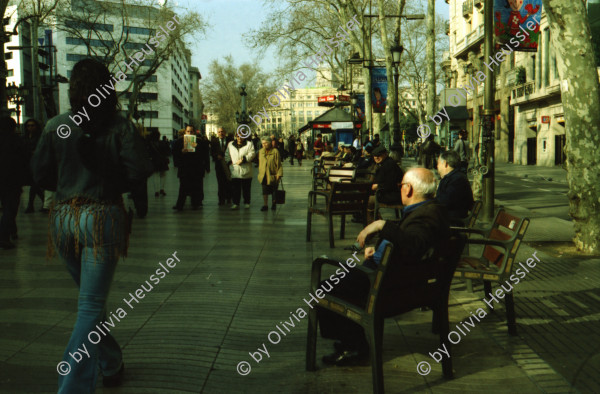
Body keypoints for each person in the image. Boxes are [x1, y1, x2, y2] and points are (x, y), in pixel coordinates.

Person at [31, 58, 151, 392]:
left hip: (64, 217)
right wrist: (112, 182)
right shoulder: (120, 126)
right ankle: (71, 386)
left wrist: (68, 186)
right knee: (90, 307)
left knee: (90, 304)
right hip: (102, 219)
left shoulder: (55, 125)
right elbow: (140, 170)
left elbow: (39, 174)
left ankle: (110, 361)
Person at [317, 168, 450, 366]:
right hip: (397, 278)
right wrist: (379, 249)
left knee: (324, 289)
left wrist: (381, 225)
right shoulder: (429, 209)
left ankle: (354, 346)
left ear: (409, 189)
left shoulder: (427, 215)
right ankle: (350, 341)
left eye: (401, 185)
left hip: (387, 287)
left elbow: (414, 244)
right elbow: (409, 241)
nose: (400, 189)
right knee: (338, 283)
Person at [0, 116, 26, 249]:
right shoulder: (16, 140)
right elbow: (23, 161)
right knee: (10, 208)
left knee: (7, 207)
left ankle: (12, 230)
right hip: (12, 180)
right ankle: (4, 236)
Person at [172, 125, 208, 211]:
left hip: (196, 169)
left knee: (196, 187)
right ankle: (180, 205)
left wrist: (197, 147)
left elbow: (204, 155)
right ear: (185, 132)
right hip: (184, 168)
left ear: (194, 132)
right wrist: (181, 152)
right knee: (183, 188)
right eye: (188, 131)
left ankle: (195, 203)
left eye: (191, 131)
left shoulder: (199, 142)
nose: (190, 133)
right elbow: (175, 154)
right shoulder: (179, 141)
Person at [367, 146, 404, 223]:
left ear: (385, 154)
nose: (376, 157)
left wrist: (378, 186)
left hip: (391, 194)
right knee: (366, 197)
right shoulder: (385, 163)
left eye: (379, 155)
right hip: (388, 192)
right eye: (375, 156)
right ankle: (375, 220)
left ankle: (372, 222)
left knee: (367, 200)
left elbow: (391, 183)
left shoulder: (389, 165)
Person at [436, 150, 474, 225]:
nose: (437, 166)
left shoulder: (457, 180)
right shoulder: (453, 177)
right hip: (448, 218)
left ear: (445, 164)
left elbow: (445, 201)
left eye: (438, 163)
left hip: (452, 221)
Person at [225, 132, 256, 209]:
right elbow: (227, 154)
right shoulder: (230, 144)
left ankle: (247, 202)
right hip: (235, 169)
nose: (239, 138)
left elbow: (252, 154)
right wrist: (229, 162)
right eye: (238, 136)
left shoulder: (249, 144)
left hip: (246, 169)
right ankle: (236, 203)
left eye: (241, 136)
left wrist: (244, 159)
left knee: (246, 188)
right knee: (235, 188)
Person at [23, 119, 45, 213]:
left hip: (38, 163)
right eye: (28, 126)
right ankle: (44, 201)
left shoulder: (40, 137)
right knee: (34, 184)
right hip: (28, 163)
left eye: (32, 125)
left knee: (34, 183)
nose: (30, 128)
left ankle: (30, 205)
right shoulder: (25, 137)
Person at [257, 136, 283, 211]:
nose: (264, 145)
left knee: (274, 190)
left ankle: (274, 204)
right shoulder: (261, 151)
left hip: (273, 174)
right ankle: (265, 205)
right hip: (263, 174)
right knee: (264, 191)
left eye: (266, 143)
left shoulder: (275, 151)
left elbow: (279, 164)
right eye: (263, 143)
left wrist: (279, 174)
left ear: (270, 143)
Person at [210, 127, 233, 205]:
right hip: (219, 165)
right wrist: (216, 156)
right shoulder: (214, 141)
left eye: (222, 132)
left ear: (225, 132)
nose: (221, 133)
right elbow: (211, 152)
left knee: (229, 181)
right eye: (219, 132)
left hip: (228, 164)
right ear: (217, 133)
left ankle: (229, 197)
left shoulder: (230, 141)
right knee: (220, 183)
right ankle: (221, 199)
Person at [147, 130, 170, 198]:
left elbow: (148, 153)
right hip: (162, 161)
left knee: (155, 176)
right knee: (163, 175)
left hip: (154, 161)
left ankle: (156, 191)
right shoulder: (163, 143)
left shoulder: (150, 144)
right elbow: (168, 152)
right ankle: (162, 189)